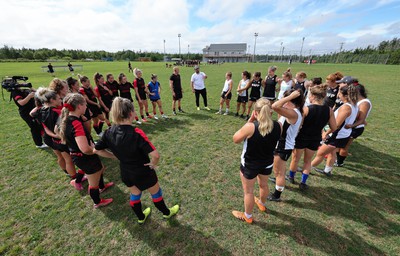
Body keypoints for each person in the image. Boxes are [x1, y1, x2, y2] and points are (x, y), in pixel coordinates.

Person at [94, 97, 179, 223]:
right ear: (130, 113)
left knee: (135, 194)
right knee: (156, 193)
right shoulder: (136, 133)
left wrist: (114, 156)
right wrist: (153, 165)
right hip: (143, 171)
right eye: (134, 110)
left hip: (126, 172)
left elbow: (96, 150)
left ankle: (141, 217)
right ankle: (166, 213)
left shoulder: (108, 132)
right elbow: (155, 155)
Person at [232, 98, 282, 223]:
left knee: (248, 191)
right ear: (270, 112)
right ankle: (261, 203)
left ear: (255, 112)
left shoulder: (250, 127)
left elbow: (235, 139)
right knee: (263, 185)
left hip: (250, 165)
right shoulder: (279, 126)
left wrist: (251, 120)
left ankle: (247, 216)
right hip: (267, 163)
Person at [59, 93, 114, 208]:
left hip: (79, 155)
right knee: (93, 182)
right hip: (83, 156)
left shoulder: (68, 118)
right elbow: (84, 149)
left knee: (101, 168)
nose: (86, 107)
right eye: (85, 104)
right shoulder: (75, 123)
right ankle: (97, 201)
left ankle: (102, 187)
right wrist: (95, 150)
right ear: (79, 106)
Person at [34, 87, 86, 190]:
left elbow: (46, 129)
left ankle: (73, 177)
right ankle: (76, 180)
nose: (60, 100)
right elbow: (59, 127)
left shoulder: (41, 111)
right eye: (58, 99)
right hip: (63, 140)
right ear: (52, 100)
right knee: (71, 160)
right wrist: (60, 135)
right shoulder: (58, 112)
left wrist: (54, 136)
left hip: (54, 140)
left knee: (65, 159)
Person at [287, 84, 337, 190]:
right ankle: (303, 182)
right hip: (315, 139)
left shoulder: (306, 109)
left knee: (295, 159)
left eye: (309, 95)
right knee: (308, 161)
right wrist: (325, 133)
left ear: (313, 96)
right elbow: (334, 127)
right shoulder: (329, 110)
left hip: (302, 137)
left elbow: (299, 125)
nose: (308, 97)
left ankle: (291, 177)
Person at [311, 84, 359, 176]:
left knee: (320, 153)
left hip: (336, 135)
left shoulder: (346, 107)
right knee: (332, 153)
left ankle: (306, 168)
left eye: (340, 94)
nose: (338, 95)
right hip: (343, 135)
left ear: (345, 96)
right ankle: (327, 171)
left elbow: (337, 124)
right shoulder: (354, 105)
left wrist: (326, 133)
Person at [268, 89, 304, 202]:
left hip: (283, 147)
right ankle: (279, 183)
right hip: (283, 145)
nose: (283, 101)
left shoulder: (293, 113)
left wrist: (289, 97)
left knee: (279, 172)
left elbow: (274, 106)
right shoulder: (293, 111)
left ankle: (276, 195)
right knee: (279, 171)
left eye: (285, 98)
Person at [336, 84, 371, 166]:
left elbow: (361, 119)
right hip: (349, 127)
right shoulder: (356, 101)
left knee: (344, 147)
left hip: (354, 128)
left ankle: (339, 162)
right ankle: (336, 160)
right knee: (339, 145)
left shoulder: (364, 103)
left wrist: (351, 125)